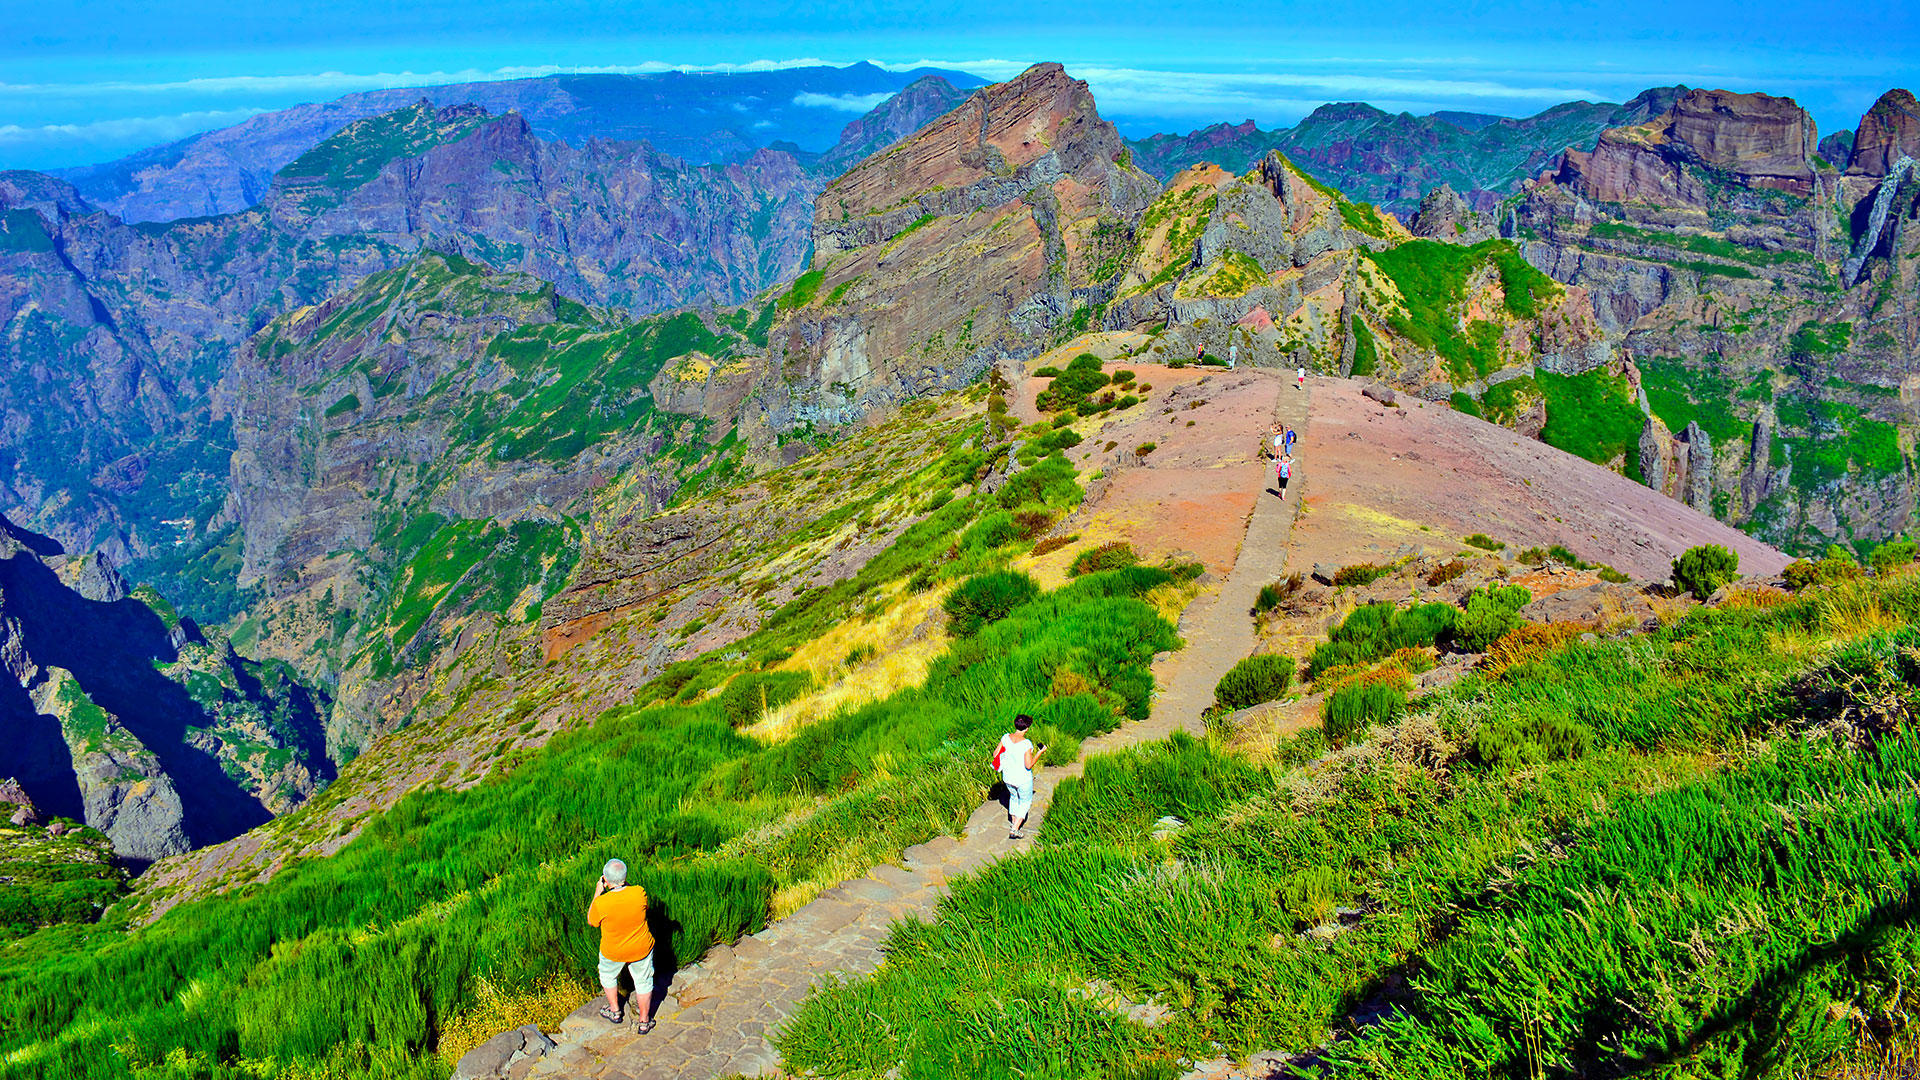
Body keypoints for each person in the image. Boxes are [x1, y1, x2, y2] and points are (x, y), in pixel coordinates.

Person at [588, 858, 657, 1032]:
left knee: (607, 975)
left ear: (605, 879)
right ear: (626, 877)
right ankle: (644, 1021)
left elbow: (591, 920)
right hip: (641, 948)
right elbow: (645, 908)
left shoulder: (601, 903)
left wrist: (598, 892)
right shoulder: (639, 892)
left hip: (613, 951)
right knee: (643, 982)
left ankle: (615, 1011)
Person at [993, 715, 1045, 839]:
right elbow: (1029, 765)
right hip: (1022, 779)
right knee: (1025, 802)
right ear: (1026, 728)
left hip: (1008, 777)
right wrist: (1040, 752)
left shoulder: (1005, 737)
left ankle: (1014, 822)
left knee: (1014, 798)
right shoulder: (1026, 744)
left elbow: (996, 754)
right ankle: (1015, 829)